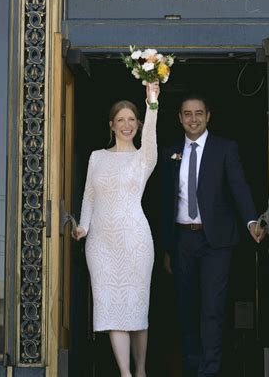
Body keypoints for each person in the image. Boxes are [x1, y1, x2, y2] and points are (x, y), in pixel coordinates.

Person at [162, 93, 264, 377]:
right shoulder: (170, 152)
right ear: (180, 118)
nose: (193, 118)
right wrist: (167, 248)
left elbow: (239, 187)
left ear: (208, 116)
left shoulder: (225, 149)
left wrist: (251, 221)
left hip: (215, 241)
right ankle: (192, 365)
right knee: (186, 309)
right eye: (187, 114)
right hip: (183, 240)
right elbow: (163, 201)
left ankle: (209, 370)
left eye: (198, 113)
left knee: (212, 308)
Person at [72, 81, 160, 377]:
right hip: (101, 244)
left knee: (136, 309)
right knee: (111, 310)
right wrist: (83, 227)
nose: (127, 125)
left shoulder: (143, 158)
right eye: (121, 120)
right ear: (111, 125)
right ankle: (125, 373)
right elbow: (89, 196)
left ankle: (141, 369)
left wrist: (151, 103)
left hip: (135, 241)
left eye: (131, 120)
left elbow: (150, 136)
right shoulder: (97, 157)